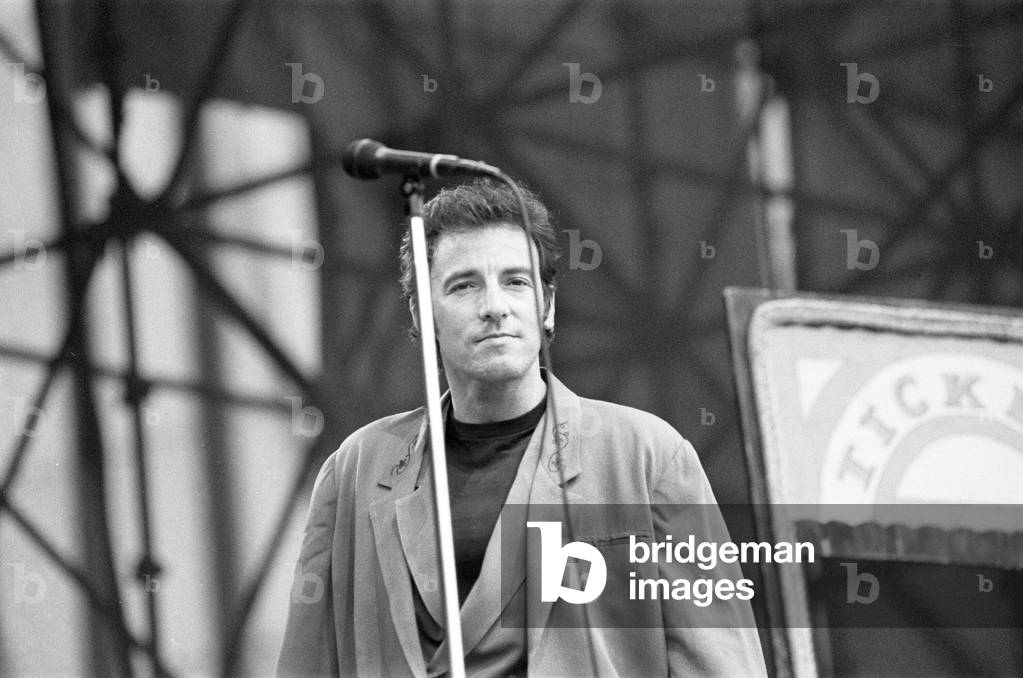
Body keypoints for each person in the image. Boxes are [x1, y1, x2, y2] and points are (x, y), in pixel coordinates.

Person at [277, 179, 767, 677]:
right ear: (421, 314)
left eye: (516, 281)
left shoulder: (647, 456)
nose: (495, 306)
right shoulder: (357, 470)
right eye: (464, 284)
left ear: (547, 306)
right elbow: (305, 665)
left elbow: (724, 666)